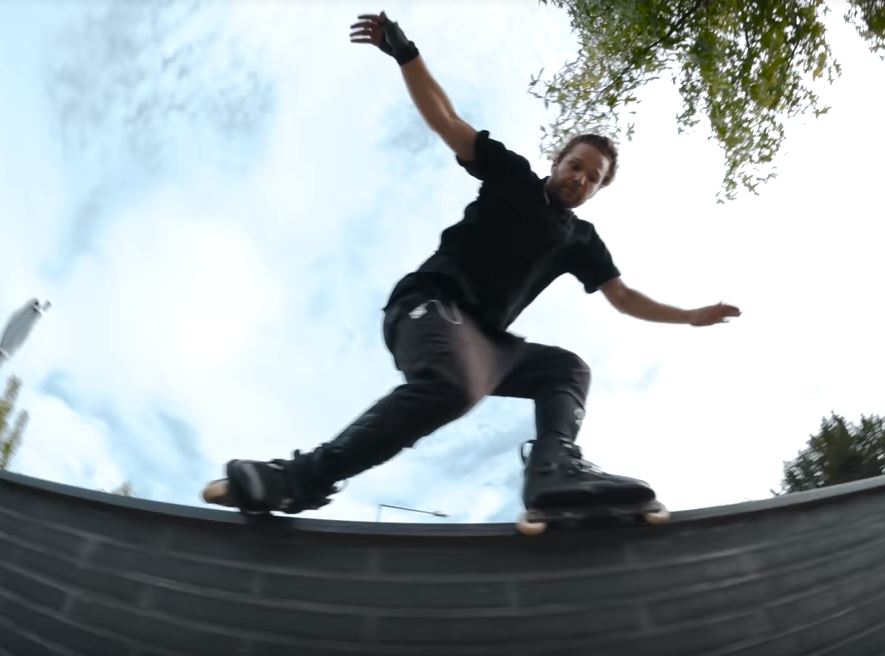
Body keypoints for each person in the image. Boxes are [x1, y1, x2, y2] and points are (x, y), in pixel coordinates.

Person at [208, 11, 741, 515]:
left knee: (566, 369)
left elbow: (623, 297)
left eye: (592, 178)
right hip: (430, 306)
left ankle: (553, 469)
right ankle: (300, 478)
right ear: (557, 161)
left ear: (598, 190)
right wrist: (405, 53)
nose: (580, 179)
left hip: (487, 344)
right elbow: (446, 120)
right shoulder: (513, 176)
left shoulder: (582, 240)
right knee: (454, 385)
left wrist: (689, 315)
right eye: (575, 165)